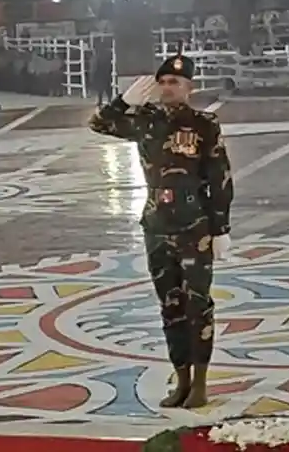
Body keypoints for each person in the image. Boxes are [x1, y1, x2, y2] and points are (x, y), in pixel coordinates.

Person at [87, 53, 234, 409]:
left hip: (194, 223)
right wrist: (124, 101)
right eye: (163, 82)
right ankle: (180, 379)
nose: (168, 88)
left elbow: (220, 178)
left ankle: (200, 382)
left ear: (189, 88)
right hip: (156, 223)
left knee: (198, 304)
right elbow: (97, 123)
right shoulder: (144, 120)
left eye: (175, 83)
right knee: (170, 306)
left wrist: (220, 228)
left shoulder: (204, 124)